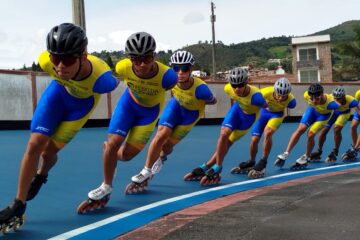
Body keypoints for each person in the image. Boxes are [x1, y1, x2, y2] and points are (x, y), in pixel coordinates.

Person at [0, 23, 119, 231]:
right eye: (56, 58)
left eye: (68, 59)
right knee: (34, 144)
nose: (60, 66)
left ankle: (42, 174)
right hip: (57, 95)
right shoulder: (46, 61)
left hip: (79, 108)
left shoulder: (102, 80)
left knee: (48, 152)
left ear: (83, 56)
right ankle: (18, 203)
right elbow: (56, 63)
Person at [78, 32, 177, 212]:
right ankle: (106, 186)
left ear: (154, 56)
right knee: (113, 143)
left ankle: (110, 153)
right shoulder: (122, 67)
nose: (141, 64)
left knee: (125, 156)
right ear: (129, 58)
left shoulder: (168, 77)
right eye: (135, 59)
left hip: (148, 113)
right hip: (128, 105)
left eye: (146, 58)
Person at [126, 50, 217, 193]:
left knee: (167, 145)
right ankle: (146, 171)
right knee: (161, 135)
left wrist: (204, 99)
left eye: (185, 68)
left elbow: (212, 101)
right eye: (176, 68)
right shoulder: (169, 80)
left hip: (190, 115)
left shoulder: (201, 89)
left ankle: (161, 158)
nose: (180, 72)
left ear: (191, 70)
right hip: (175, 107)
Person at [184, 67, 267, 185]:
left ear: (246, 82)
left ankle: (207, 165)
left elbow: (266, 106)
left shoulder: (257, 97)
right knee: (223, 134)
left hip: (248, 119)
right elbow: (235, 98)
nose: (237, 89)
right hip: (237, 110)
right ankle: (217, 166)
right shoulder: (228, 88)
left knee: (227, 143)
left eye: (240, 85)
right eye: (234, 85)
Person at [274, 83, 339, 170]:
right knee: (300, 129)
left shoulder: (331, 103)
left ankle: (306, 157)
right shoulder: (306, 95)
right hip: (312, 111)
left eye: (317, 98)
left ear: (322, 94)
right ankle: (285, 153)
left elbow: (339, 104)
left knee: (311, 134)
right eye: (311, 98)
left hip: (323, 116)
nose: (314, 100)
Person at [246, 78, 296, 178]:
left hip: (277, 115)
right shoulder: (265, 92)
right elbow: (251, 99)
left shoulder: (291, 101)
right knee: (254, 139)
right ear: (274, 91)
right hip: (263, 113)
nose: (281, 98)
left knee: (268, 132)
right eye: (279, 94)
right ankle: (251, 161)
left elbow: (291, 105)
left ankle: (263, 160)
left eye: (284, 96)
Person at [309, 86, 358, 163]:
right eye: (335, 98)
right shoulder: (330, 97)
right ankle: (319, 151)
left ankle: (335, 151)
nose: (336, 100)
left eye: (339, 99)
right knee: (324, 131)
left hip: (344, 113)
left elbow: (357, 108)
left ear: (344, 97)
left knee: (336, 129)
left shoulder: (351, 101)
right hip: (333, 112)